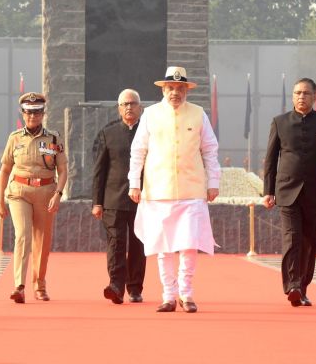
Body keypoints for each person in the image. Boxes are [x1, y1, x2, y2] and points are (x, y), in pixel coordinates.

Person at [129, 66, 220, 314]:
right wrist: (134, 183)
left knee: (189, 244)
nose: (175, 93)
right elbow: (138, 151)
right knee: (164, 246)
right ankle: (168, 295)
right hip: (158, 190)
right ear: (164, 89)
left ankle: (186, 293)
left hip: (191, 190)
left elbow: (210, 150)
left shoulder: (199, 114)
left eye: (180, 89)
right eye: (171, 88)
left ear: (186, 90)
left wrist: (214, 182)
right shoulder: (150, 114)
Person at [262, 77, 316, 307]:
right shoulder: (279, 122)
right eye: (298, 93)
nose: (302, 97)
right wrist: (267, 191)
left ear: (314, 97)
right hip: (287, 189)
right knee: (291, 238)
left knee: (310, 242)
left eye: (306, 93)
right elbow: (270, 158)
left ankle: (303, 286)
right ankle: (292, 285)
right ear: (292, 96)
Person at [0, 92, 67, 303]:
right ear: (22, 113)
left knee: (42, 240)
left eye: (36, 113)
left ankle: (40, 284)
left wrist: (58, 194)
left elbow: (63, 170)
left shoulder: (53, 138)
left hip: (46, 192)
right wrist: (0, 200)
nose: (32, 117)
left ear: (43, 114)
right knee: (23, 235)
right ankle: (19, 285)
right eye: (28, 112)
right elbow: (5, 169)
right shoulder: (15, 138)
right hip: (20, 191)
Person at [92, 88, 146, 304]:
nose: (129, 107)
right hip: (113, 199)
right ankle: (115, 286)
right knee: (115, 243)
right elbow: (99, 170)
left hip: (141, 200)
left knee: (137, 245)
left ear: (140, 107)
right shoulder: (108, 133)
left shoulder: (149, 133)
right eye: (125, 104)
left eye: (133, 103)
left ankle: (134, 288)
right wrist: (97, 202)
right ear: (119, 108)